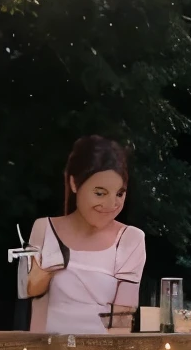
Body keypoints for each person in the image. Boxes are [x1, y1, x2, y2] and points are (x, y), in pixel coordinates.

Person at [22, 135, 145, 333]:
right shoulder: (44, 229)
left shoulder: (131, 239)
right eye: (100, 193)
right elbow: (32, 295)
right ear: (74, 184)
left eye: (119, 194)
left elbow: (122, 322)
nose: (111, 204)